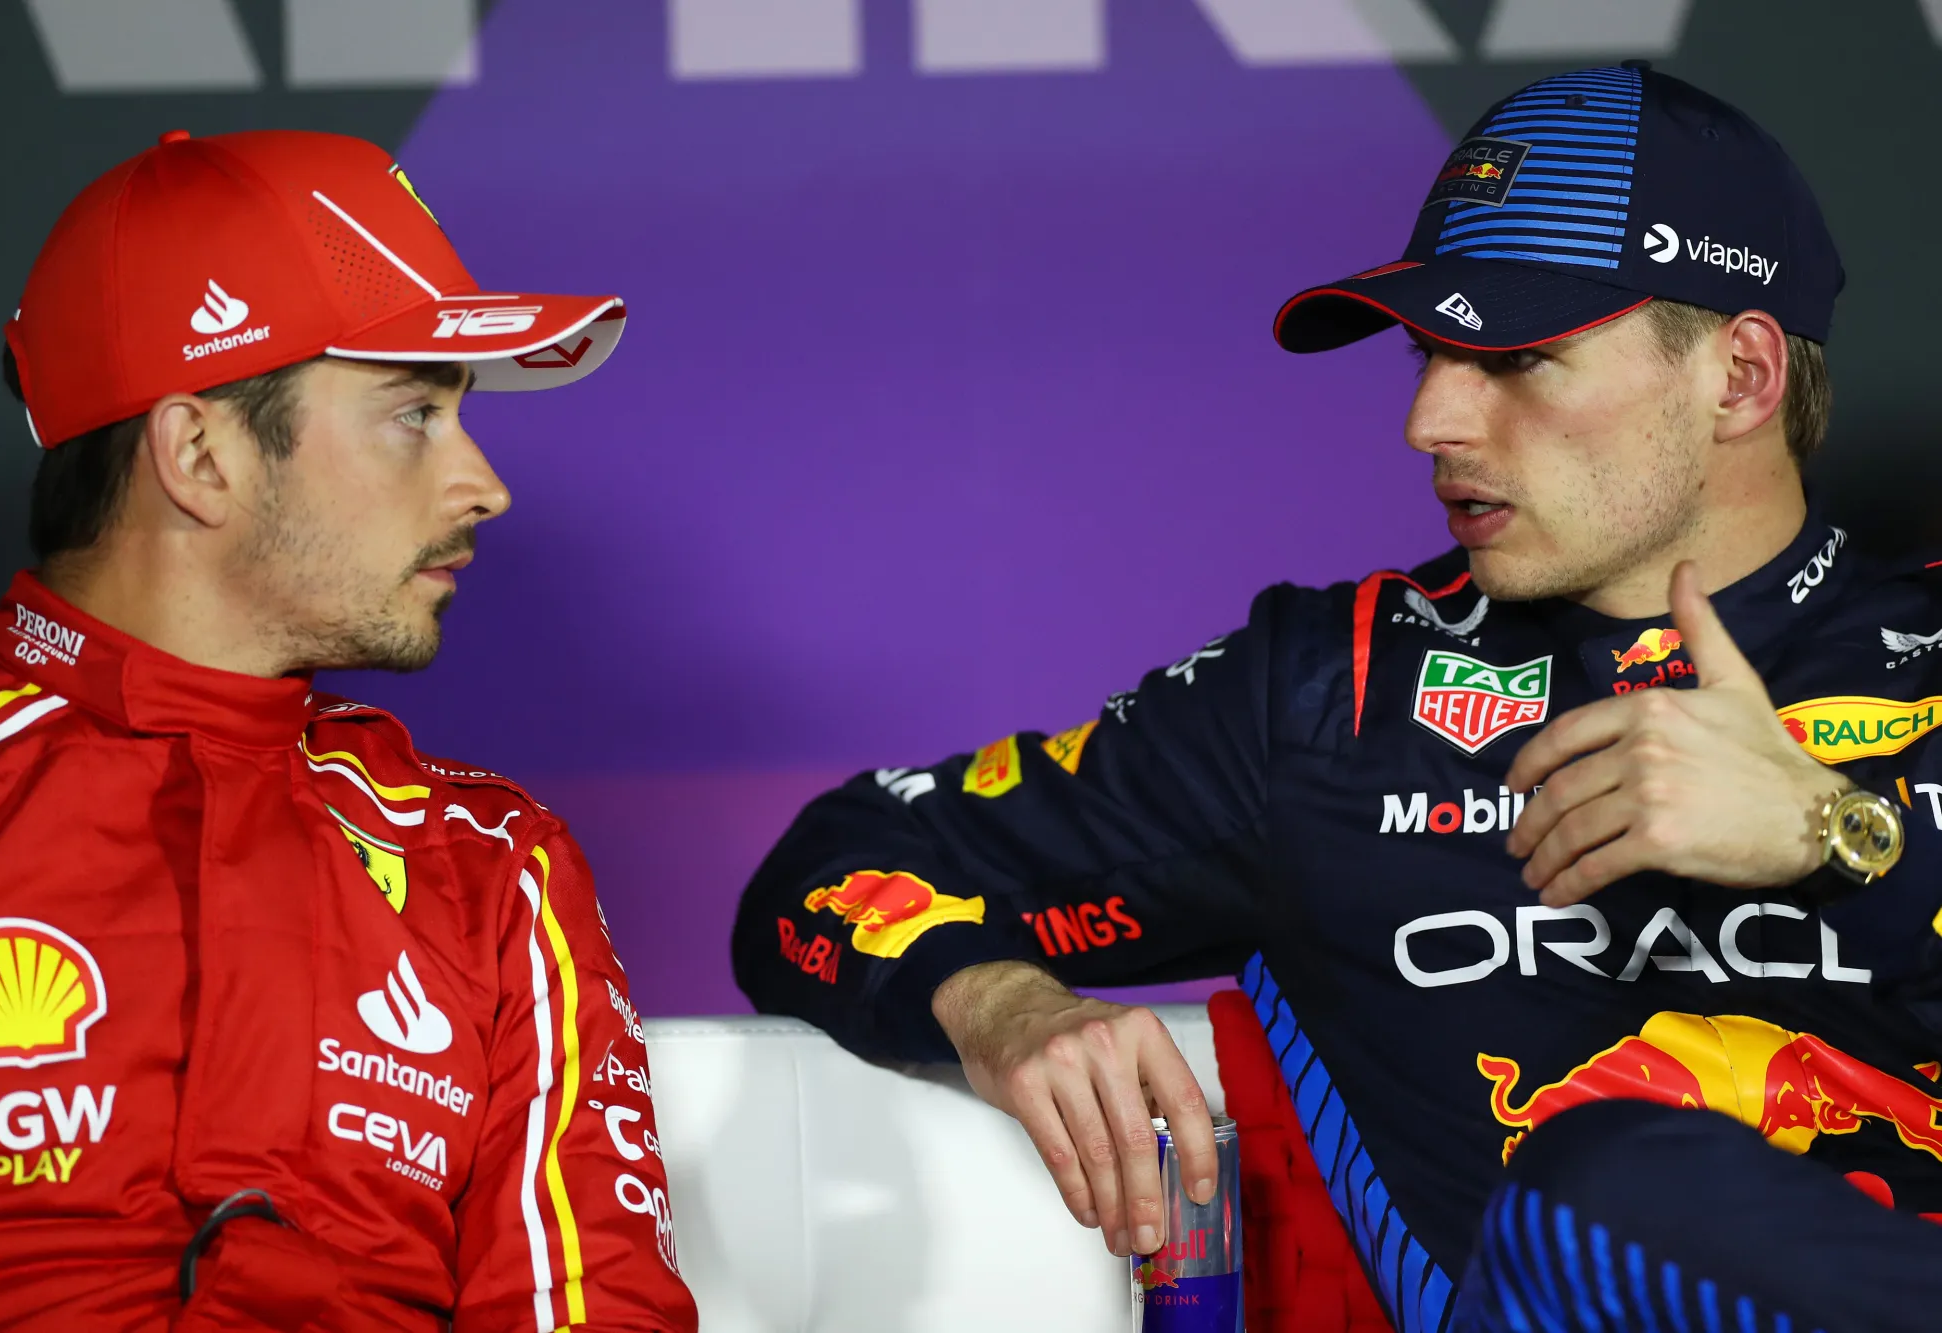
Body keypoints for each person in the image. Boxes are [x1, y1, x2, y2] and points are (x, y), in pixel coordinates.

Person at [734, 63, 1942, 1331]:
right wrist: (998, 1003)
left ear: (1739, 377)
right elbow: (820, 872)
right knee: (1606, 1179)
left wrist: (1841, 835)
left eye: (1517, 357)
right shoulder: (1328, 694)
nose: (1430, 416)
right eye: (1428, 352)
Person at [0, 130, 695, 1331]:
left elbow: (586, 1305)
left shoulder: (488, 861)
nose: (482, 485)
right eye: (413, 413)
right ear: (199, 454)